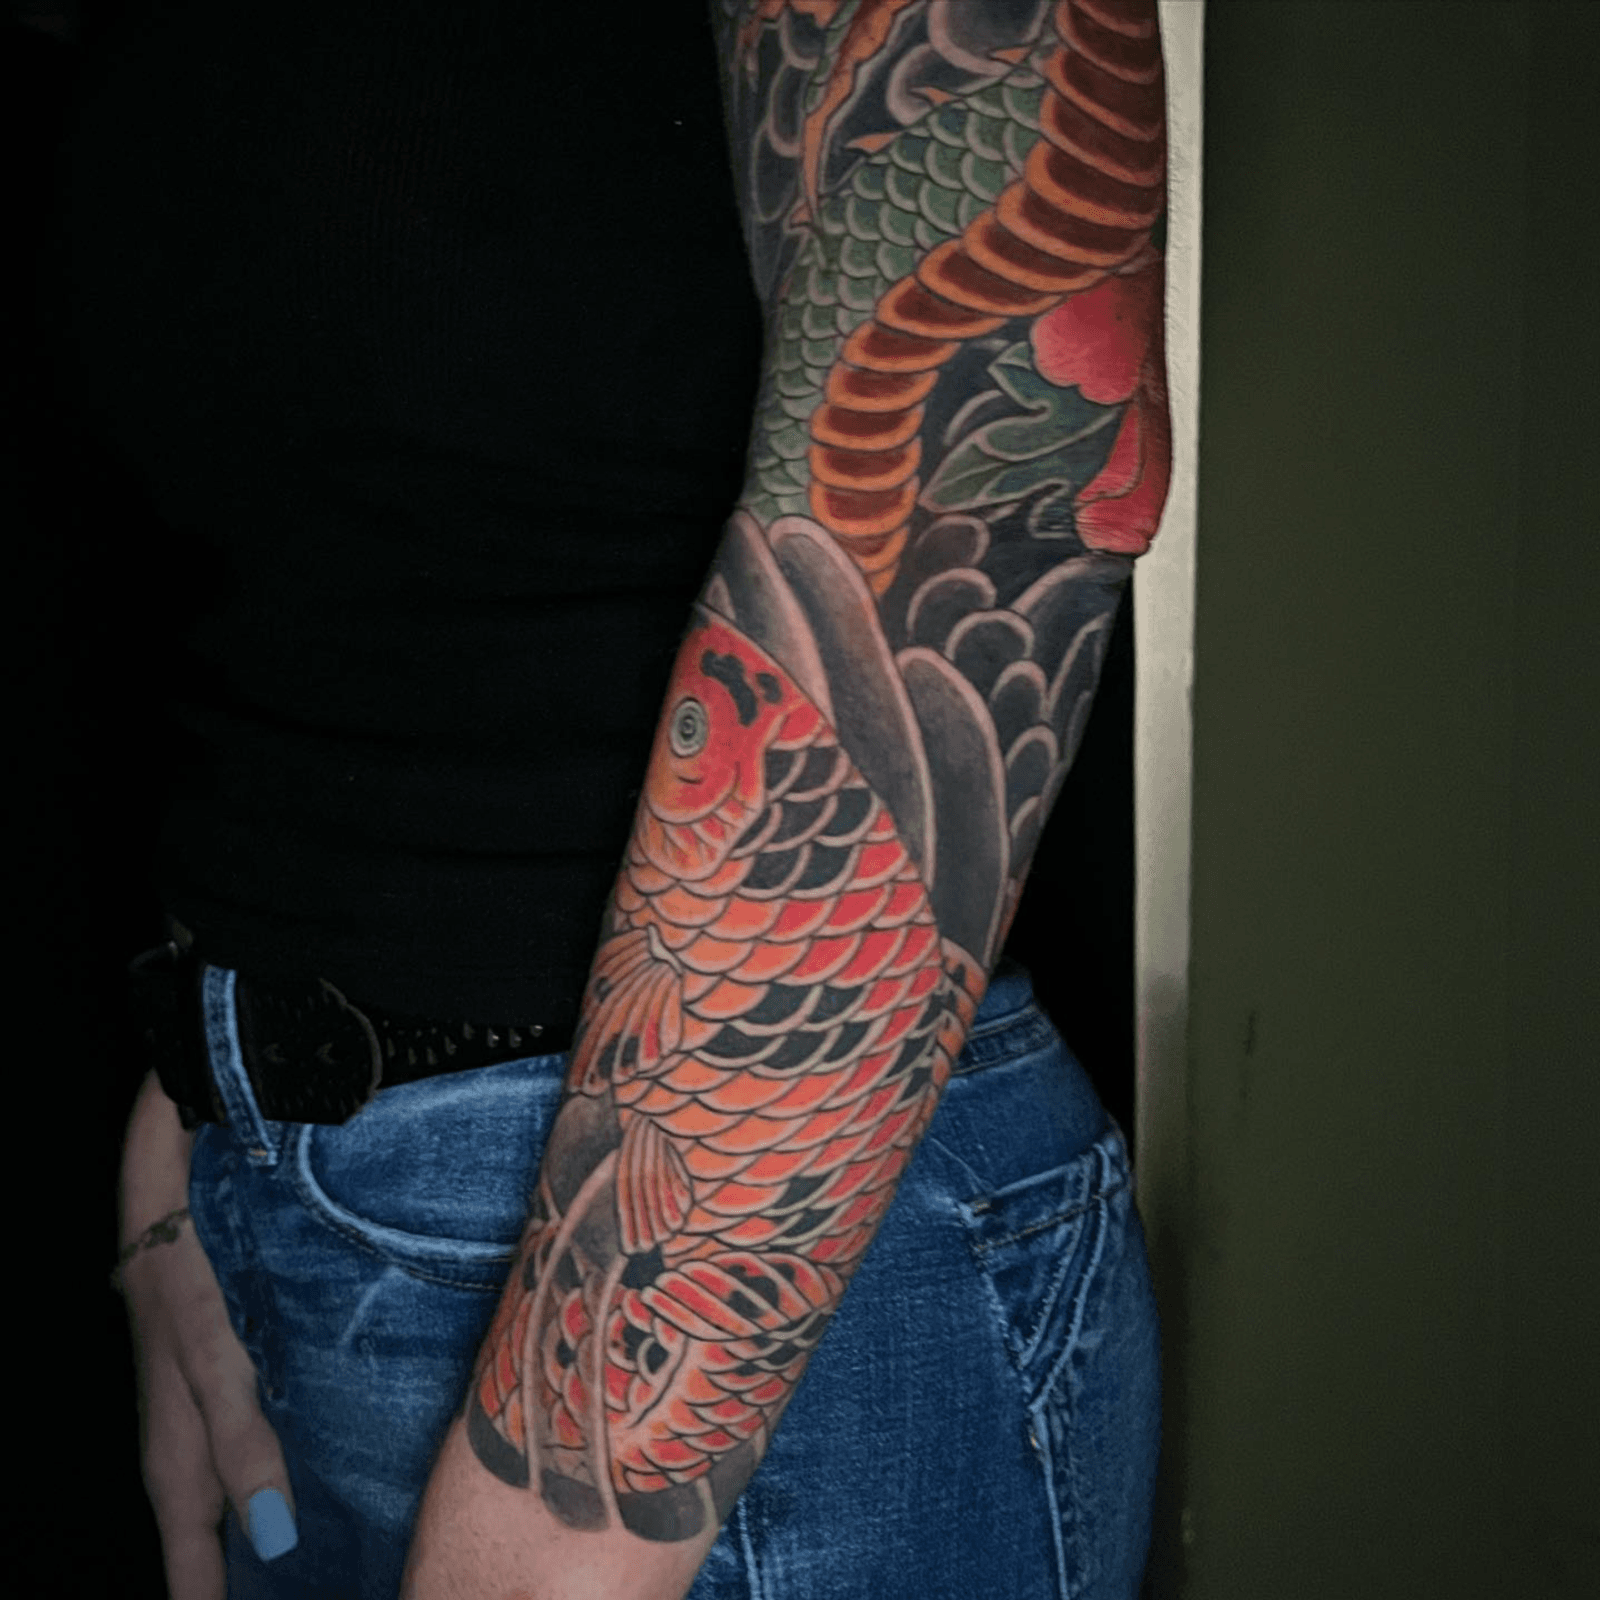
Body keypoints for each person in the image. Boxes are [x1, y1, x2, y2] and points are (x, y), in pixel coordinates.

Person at [89, 1, 1169, 1595]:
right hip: (294, 1210)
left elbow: (986, 497)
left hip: (722, 1307)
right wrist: (200, 1102)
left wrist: (588, 1484)